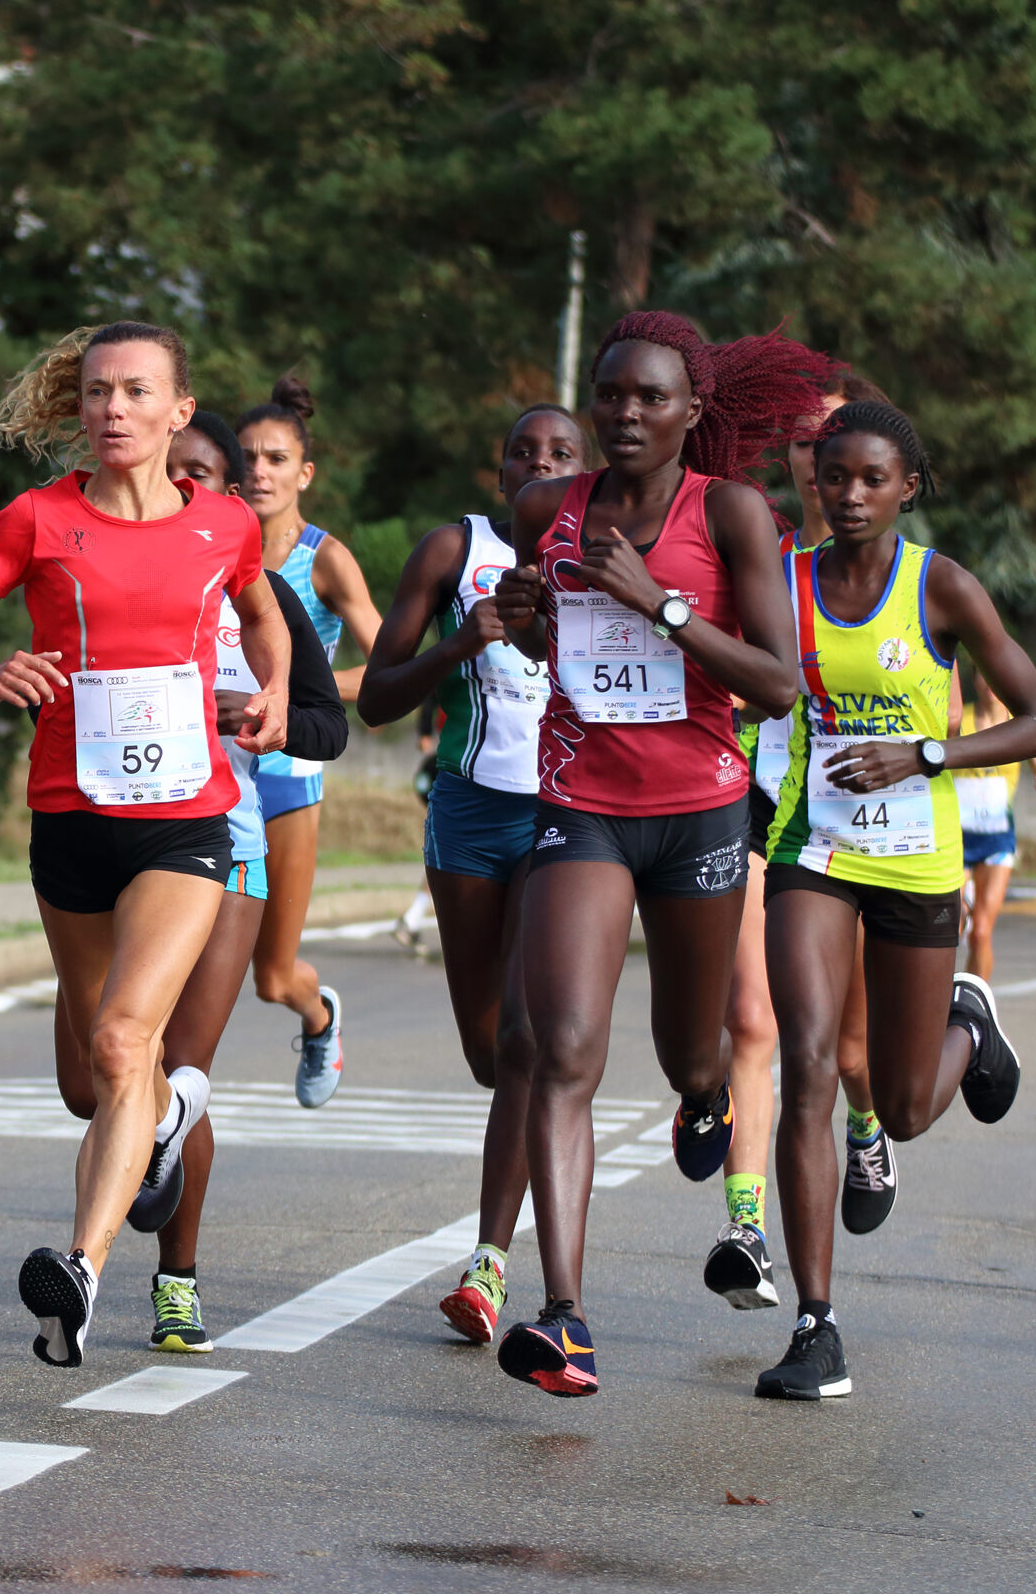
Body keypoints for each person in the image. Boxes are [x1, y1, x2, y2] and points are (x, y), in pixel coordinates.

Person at [0, 321, 290, 1368]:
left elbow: (265, 619)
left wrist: (278, 691)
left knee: (126, 1041)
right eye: (97, 393)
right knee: (92, 1082)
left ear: (177, 410)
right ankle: (169, 1111)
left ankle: (80, 1269)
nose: (113, 409)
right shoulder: (36, 518)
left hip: (184, 817)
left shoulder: (222, 524)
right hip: (71, 819)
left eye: (136, 392)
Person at [487, 311, 822, 1397]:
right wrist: (527, 616)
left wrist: (661, 601)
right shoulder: (548, 508)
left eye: (650, 398)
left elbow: (776, 681)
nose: (626, 413)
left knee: (692, 1050)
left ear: (690, 410)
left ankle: (705, 1094)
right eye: (611, 395)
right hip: (581, 803)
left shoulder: (728, 512)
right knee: (563, 1045)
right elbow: (550, 641)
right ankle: (564, 1315)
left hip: (702, 815)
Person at [756, 399, 1036, 1398]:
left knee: (902, 1105)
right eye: (832, 475)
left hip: (921, 863)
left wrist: (926, 753)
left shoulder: (944, 589)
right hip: (812, 849)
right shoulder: (786, 583)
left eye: (870, 479)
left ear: (908, 488)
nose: (847, 494)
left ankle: (969, 1024)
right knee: (807, 1059)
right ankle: (815, 1324)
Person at [104, 407, 347, 1354]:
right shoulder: (106, 581)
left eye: (209, 478)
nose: (196, 491)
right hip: (113, 845)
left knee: (178, 1065)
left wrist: (272, 717)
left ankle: (178, 1281)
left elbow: (325, 727)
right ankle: (151, 1140)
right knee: (104, 1083)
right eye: (184, 475)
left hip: (227, 847)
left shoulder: (263, 597)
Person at [356, 403, 583, 1344]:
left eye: (561, 455)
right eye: (522, 452)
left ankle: (488, 1265)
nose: (538, 464)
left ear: (584, 475)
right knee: (493, 1053)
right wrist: (465, 640)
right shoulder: (452, 552)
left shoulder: (609, 555)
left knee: (531, 1041)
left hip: (566, 817)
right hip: (469, 813)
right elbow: (374, 698)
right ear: (497, 475)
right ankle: (500, 1228)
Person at [709, 374, 911, 1318]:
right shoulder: (755, 557)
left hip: (862, 829)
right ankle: (746, 1230)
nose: (816, 460)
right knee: (755, 1018)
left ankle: (868, 1128)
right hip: (759, 811)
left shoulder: (902, 575)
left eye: (832, 442)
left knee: (848, 1048)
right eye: (800, 443)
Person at [236, 378, 383, 1106]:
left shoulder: (323, 559)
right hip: (209, 769)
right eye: (250, 458)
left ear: (304, 473)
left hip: (288, 774)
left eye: (277, 458)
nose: (260, 471)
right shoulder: (207, 542)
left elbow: (389, 668)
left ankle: (319, 1016)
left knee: (270, 977)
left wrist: (304, 692)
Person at [957, 666, 1036, 981]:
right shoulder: (957, 720)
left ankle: (975, 1005)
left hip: (997, 841)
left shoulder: (1020, 727)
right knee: (955, 924)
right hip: (957, 840)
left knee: (981, 932)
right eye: (984, 676)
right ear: (976, 680)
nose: (991, 683)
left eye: (996, 677)